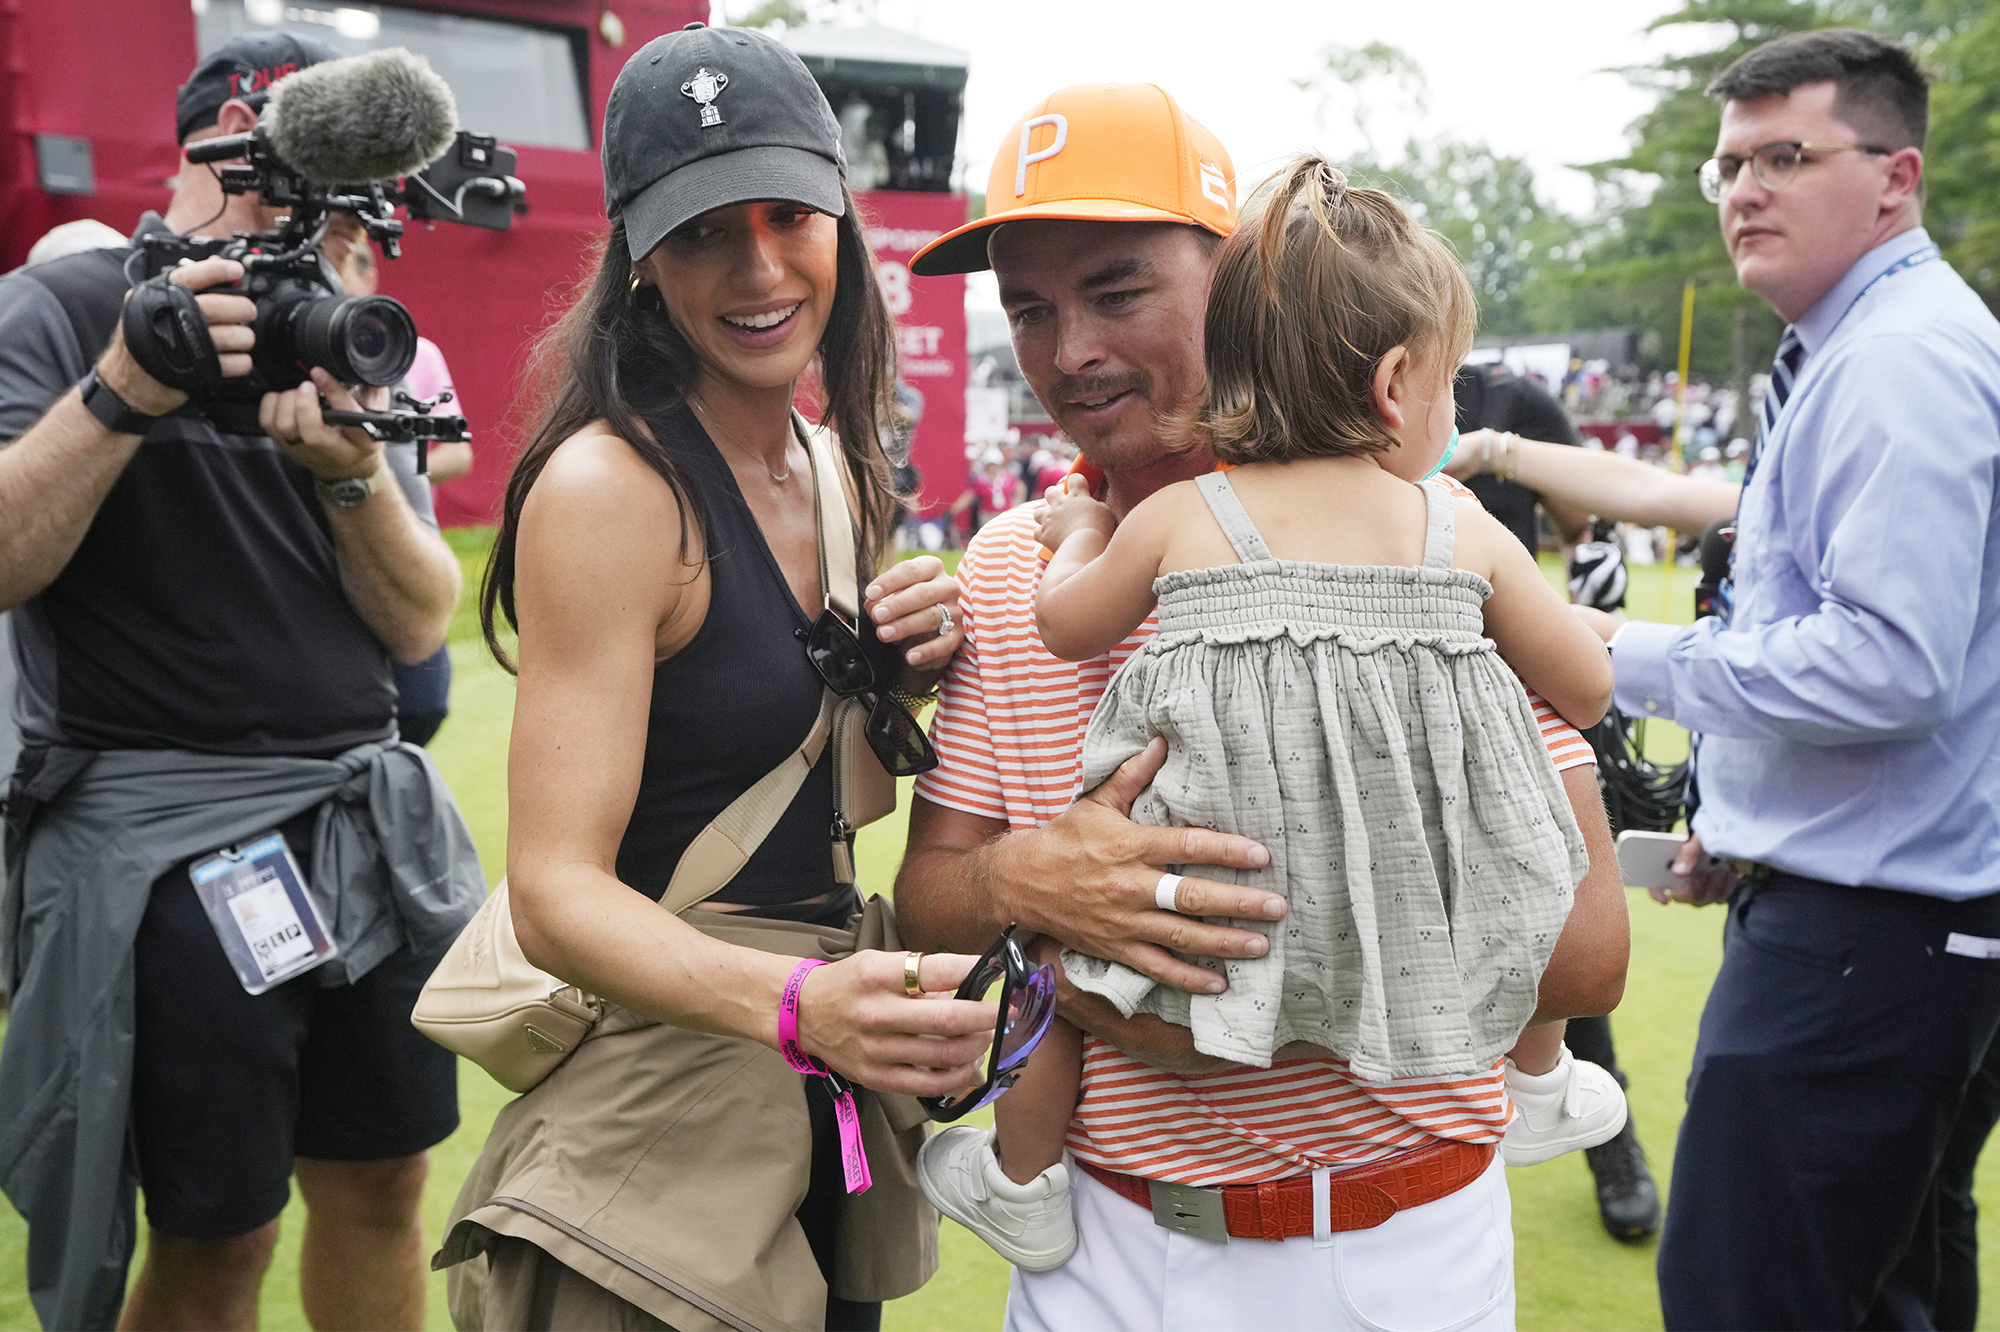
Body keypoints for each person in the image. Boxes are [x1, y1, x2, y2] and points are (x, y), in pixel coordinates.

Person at [897, 82, 1629, 1331]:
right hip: (1098, 1253)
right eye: (1027, 307)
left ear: (1238, 284)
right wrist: (1035, 886)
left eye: (1116, 289)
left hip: (1395, 1238)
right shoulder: (1011, 559)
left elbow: (1583, 950)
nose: (1067, 349)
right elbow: (930, 897)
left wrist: (1213, 963)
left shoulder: (1422, 549)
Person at [432, 25, 995, 1332]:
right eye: (700, 233)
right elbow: (555, 891)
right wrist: (799, 1005)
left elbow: (825, 798)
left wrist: (900, 673)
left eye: (787, 214)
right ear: (638, 253)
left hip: (819, 1095)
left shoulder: (837, 467)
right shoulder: (613, 489)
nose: (757, 267)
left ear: (843, 225)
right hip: (673, 1114)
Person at [0, 33, 484, 1332]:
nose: (315, 215)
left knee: (386, 1184)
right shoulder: (59, 310)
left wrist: (340, 473)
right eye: (298, 173)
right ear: (224, 142)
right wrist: (128, 385)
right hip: (168, 850)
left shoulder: (341, 331)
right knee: (219, 1229)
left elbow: (418, 618)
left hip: (358, 824)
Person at [1572, 29, 2000, 1330]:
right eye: (1727, 166)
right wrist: (1751, 830)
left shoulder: (1897, 359)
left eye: (1785, 156)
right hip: (1890, 917)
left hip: (1870, 943)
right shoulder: (1869, 340)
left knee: (1751, 1297)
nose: (1743, 190)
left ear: (1896, 177)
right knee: (1887, 1289)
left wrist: (1608, 654)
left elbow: (1888, 667)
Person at [336, 236, 469, 746]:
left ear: (371, 277)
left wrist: (390, 475)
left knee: (422, 702)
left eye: (352, 267)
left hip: (408, 547)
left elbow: (459, 453)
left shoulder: (413, 352)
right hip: (331, 553)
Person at [1454, 361, 1589, 555]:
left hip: (1501, 579)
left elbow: (1578, 527)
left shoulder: (1510, 394)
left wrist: (1491, 451)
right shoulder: (1503, 392)